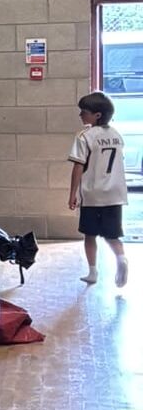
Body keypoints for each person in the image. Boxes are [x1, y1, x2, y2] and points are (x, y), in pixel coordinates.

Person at [68, 91, 129, 288]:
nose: (80, 116)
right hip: (115, 194)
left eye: (84, 112)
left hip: (93, 194)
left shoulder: (85, 136)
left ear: (97, 115)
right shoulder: (117, 135)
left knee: (90, 234)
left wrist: (73, 194)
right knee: (113, 235)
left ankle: (93, 271)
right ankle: (121, 259)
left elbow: (78, 166)